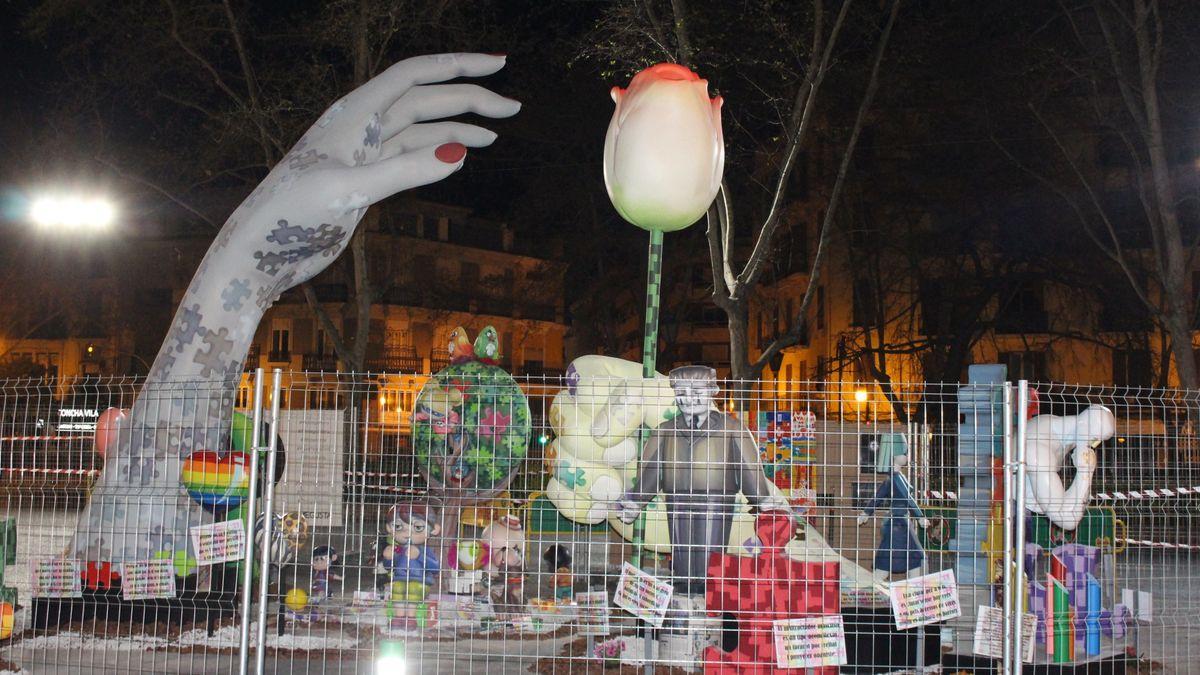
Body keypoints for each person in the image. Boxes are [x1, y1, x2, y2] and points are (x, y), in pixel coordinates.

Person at [617, 365, 789, 595]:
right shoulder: (664, 431)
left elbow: (748, 466)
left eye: (696, 391)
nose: (689, 399)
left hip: (716, 500)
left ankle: (710, 596)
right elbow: (651, 470)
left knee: (711, 557)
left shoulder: (732, 429)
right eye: (681, 393)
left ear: (712, 391)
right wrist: (637, 501)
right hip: (677, 500)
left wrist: (761, 498)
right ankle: (684, 594)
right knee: (682, 559)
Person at [856, 453, 929, 579]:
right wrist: (920, 516)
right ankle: (871, 589)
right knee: (896, 559)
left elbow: (878, 497)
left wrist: (866, 513)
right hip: (898, 524)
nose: (906, 456)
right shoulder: (893, 478)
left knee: (913, 558)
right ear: (894, 456)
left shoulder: (898, 476)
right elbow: (907, 499)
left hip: (902, 522)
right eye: (903, 453)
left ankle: (913, 591)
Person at [379, 503, 441, 628]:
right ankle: (399, 616)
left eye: (418, 527)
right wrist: (387, 558)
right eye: (398, 526)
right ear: (389, 529)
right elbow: (389, 567)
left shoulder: (424, 550)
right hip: (399, 579)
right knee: (396, 589)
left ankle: (411, 617)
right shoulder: (397, 549)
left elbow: (435, 567)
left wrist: (419, 556)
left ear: (434, 530)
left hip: (420, 581)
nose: (407, 533)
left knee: (413, 589)